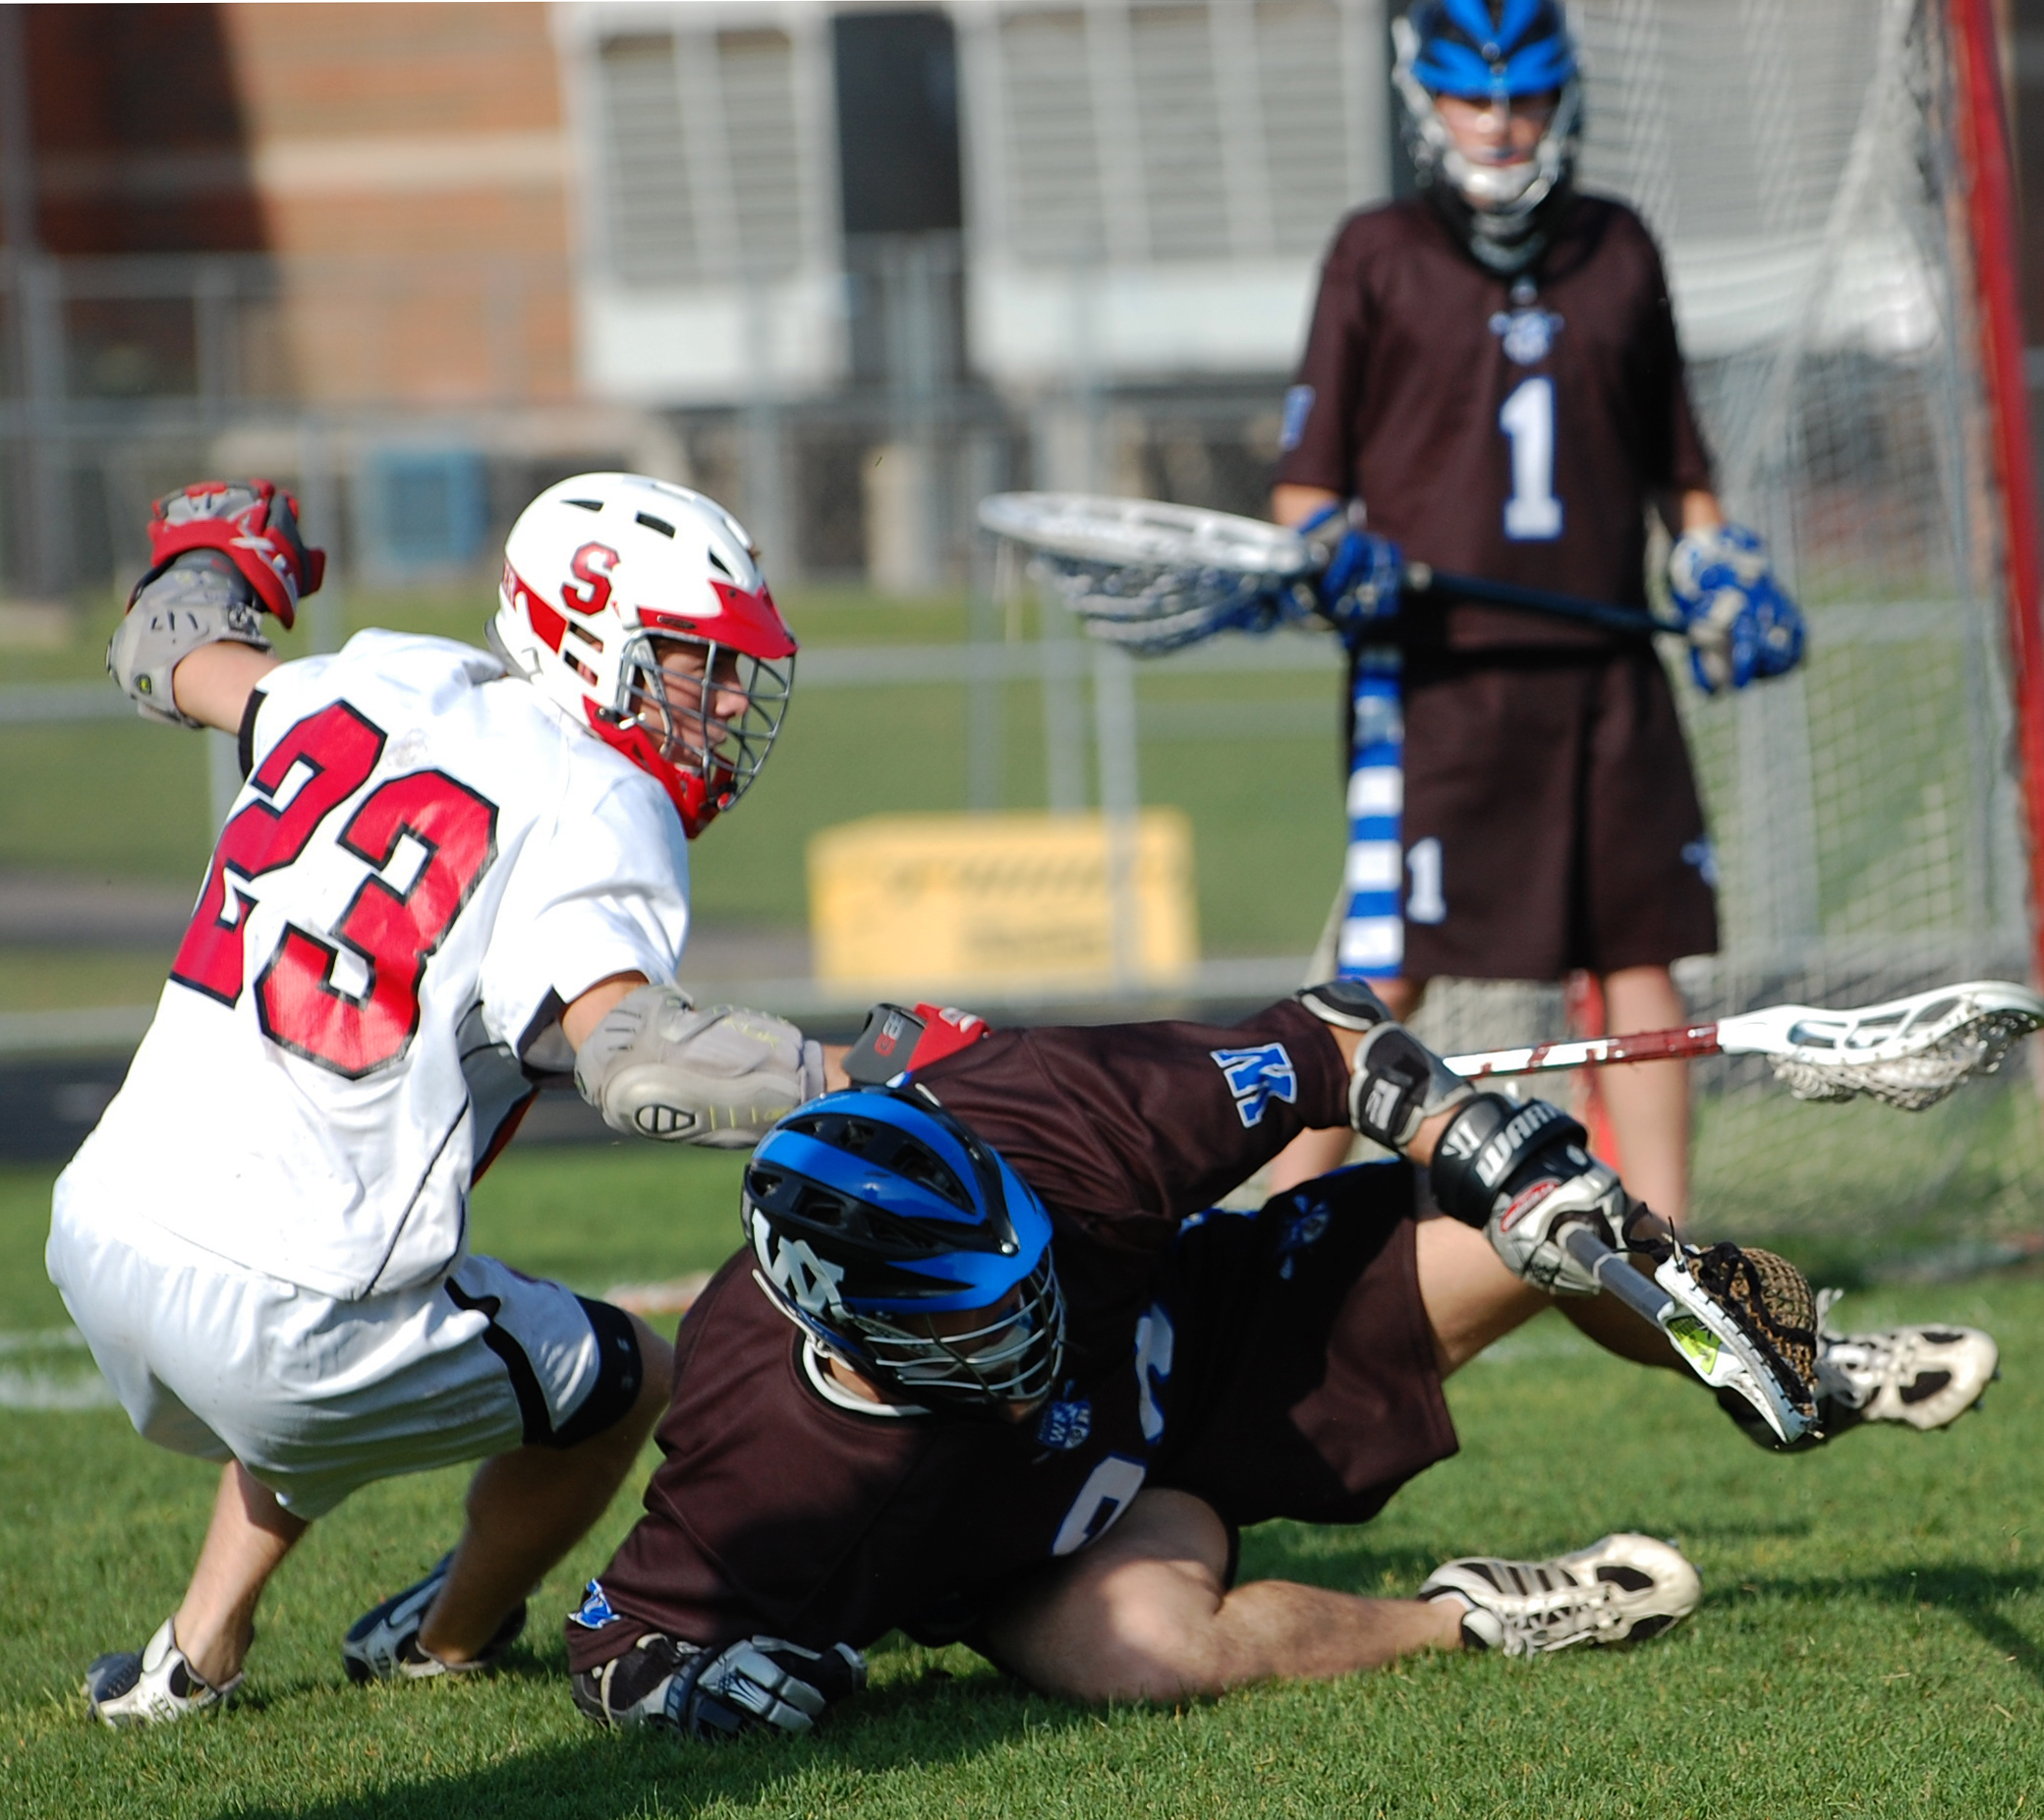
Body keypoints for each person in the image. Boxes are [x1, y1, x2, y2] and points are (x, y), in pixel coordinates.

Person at [560, 986, 1993, 1738]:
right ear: (849, 1332)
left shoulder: (1059, 1121)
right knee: (1151, 1658)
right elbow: (612, 1639)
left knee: (1552, 1233)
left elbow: (1332, 1034)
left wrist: (1495, 1153)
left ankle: (1801, 1355)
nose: (1022, 1323)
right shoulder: (759, 1437)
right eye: (969, 1325)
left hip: (1219, 1335)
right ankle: (1483, 1616)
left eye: (1023, 1274)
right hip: (1047, 1552)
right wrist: (690, 1692)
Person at [50, 473, 830, 1726]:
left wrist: (217, 560)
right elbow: (640, 1061)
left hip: (96, 1226)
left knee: (375, 1278)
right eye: (698, 662)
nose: (729, 700)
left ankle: (193, 1654)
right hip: (290, 1317)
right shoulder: (602, 794)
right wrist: (857, 1073)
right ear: (598, 643)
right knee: (624, 1375)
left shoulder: (366, 680)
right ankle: (447, 1642)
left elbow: (163, 646)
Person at [1265, 0, 1798, 1226]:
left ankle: (1667, 1249)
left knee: (1638, 954)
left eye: (1521, 98)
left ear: (1564, 98)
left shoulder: (1618, 247)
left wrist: (1716, 563)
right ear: (1424, 98)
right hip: (1439, 677)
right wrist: (1332, 557)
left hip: (1607, 669)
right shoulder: (1377, 252)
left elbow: (1680, 468)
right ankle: (1258, 1235)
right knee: (1388, 964)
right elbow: (1304, 494)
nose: (1497, 124)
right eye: (1470, 96)